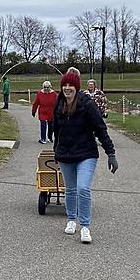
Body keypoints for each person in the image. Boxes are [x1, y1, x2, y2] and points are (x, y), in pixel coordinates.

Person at [52, 69, 118, 243]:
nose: (67, 88)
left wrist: (110, 153)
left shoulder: (87, 105)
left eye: (71, 85)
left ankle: (85, 226)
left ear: (77, 87)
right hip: (65, 154)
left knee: (83, 188)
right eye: (64, 85)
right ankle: (71, 220)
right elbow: (56, 131)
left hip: (86, 154)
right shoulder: (58, 104)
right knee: (71, 190)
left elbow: (100, 129)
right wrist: (56, 151)